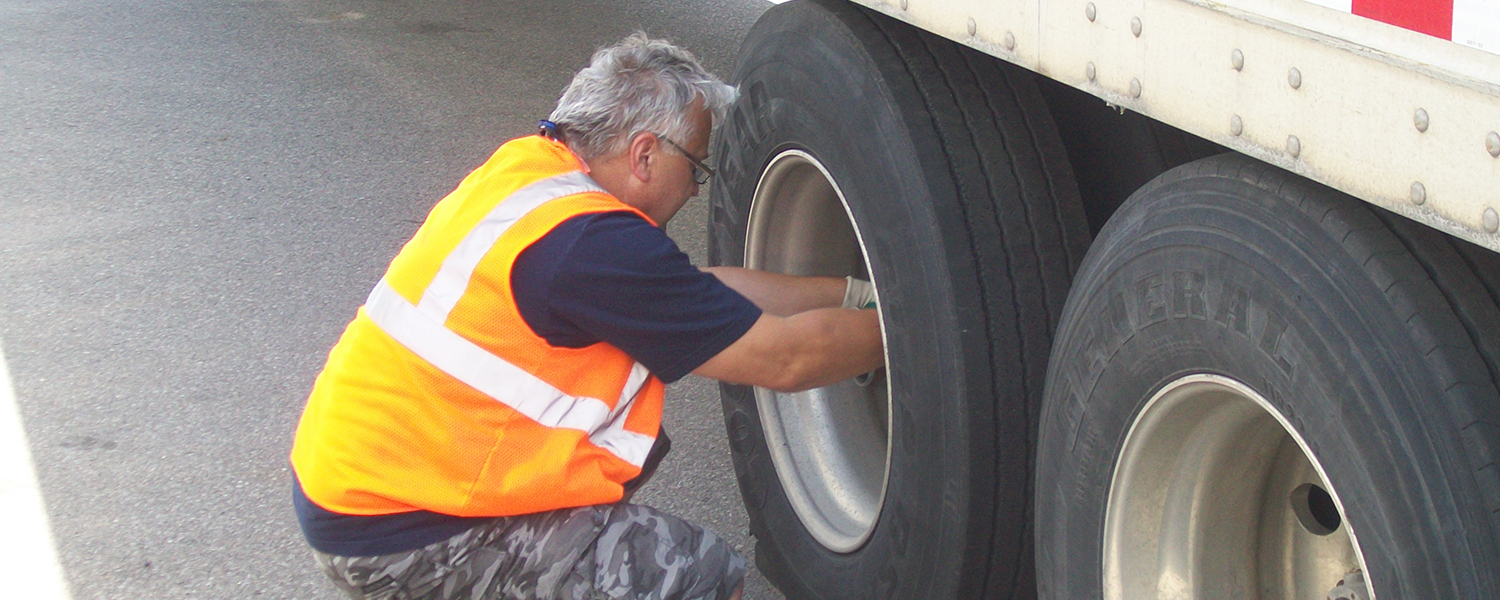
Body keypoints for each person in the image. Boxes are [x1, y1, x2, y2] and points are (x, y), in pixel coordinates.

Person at [289, 33, 884, 600]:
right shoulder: (597, 246)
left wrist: (856, 295)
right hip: (400, 533)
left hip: (363, 483)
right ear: (646, 153)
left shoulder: (530, 173)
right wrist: (916, 333)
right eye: (697, 169)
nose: (698, 191)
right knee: (696, 574)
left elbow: (701, 293)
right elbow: (785, 356)